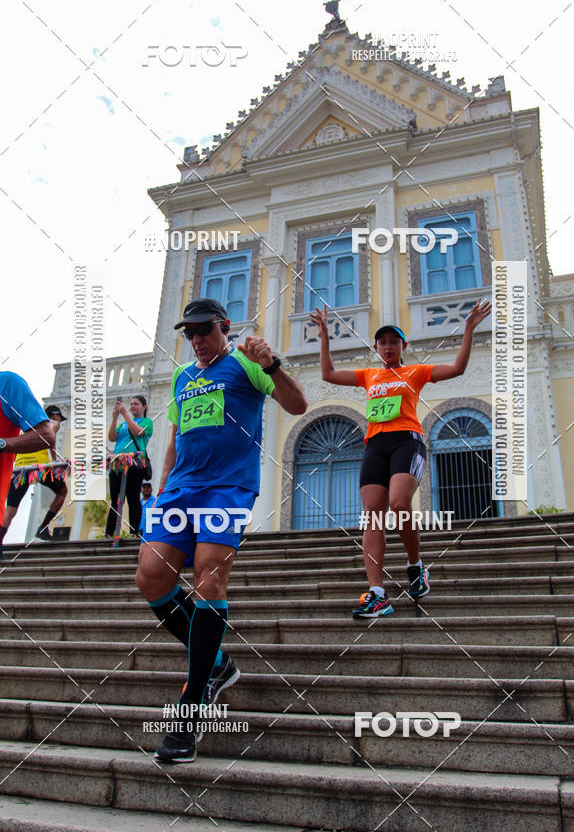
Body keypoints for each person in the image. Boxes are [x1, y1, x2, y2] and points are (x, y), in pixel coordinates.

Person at [135, 297, 307, 763]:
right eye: (189, 333)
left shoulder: (246, 365)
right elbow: (175, 439)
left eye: (204, 331)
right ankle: (217, 662)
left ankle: (190, 715)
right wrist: (159, 491)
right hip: (179, 490)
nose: (196, 340)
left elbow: (297, 404)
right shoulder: (182, 376)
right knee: (151, 576)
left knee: (210, 573)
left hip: (228, 487)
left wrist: (271, 364)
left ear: (224, 328)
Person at [310, 299, 491, 617]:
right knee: (372, 517)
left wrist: (468, 330)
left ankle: (415, 565)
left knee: (398, 503)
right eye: (383, 342)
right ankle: (378, 593)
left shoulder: (415, 372)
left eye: (394, 341)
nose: (388, 346)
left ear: (403, 345)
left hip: (407, 441)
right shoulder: (369, 376)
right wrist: (325, 335)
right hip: (374, 446)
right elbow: (327, 374)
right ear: (377, 347)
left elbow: (458, 369)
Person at [0, 372, 56, 558]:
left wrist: (2, 444)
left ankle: (43, 527)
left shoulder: (7, 383)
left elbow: (46, 436)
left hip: (31, 470)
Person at [5, 406, 68, 542]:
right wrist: (56, 461)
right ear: (55, 416)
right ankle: (43, 527)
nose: (59, 423)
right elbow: (50, 438)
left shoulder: (27, 425)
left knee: (11, 509)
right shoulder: (52, 423)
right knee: (62, 492)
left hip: (21, 467)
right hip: (39, 467)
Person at [105, 395, 153, 539]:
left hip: (134, 462)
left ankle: (134, 532)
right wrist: (114, 418)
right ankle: (109, 532)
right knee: (115, 499)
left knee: (133, 498)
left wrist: (125, 414)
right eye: (131, 404)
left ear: (144, 407)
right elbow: (112, 437)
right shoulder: (123, 424)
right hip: (118, 462)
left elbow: (138, 432)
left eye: (136, 404)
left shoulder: (147, 421)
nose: (132, 406)